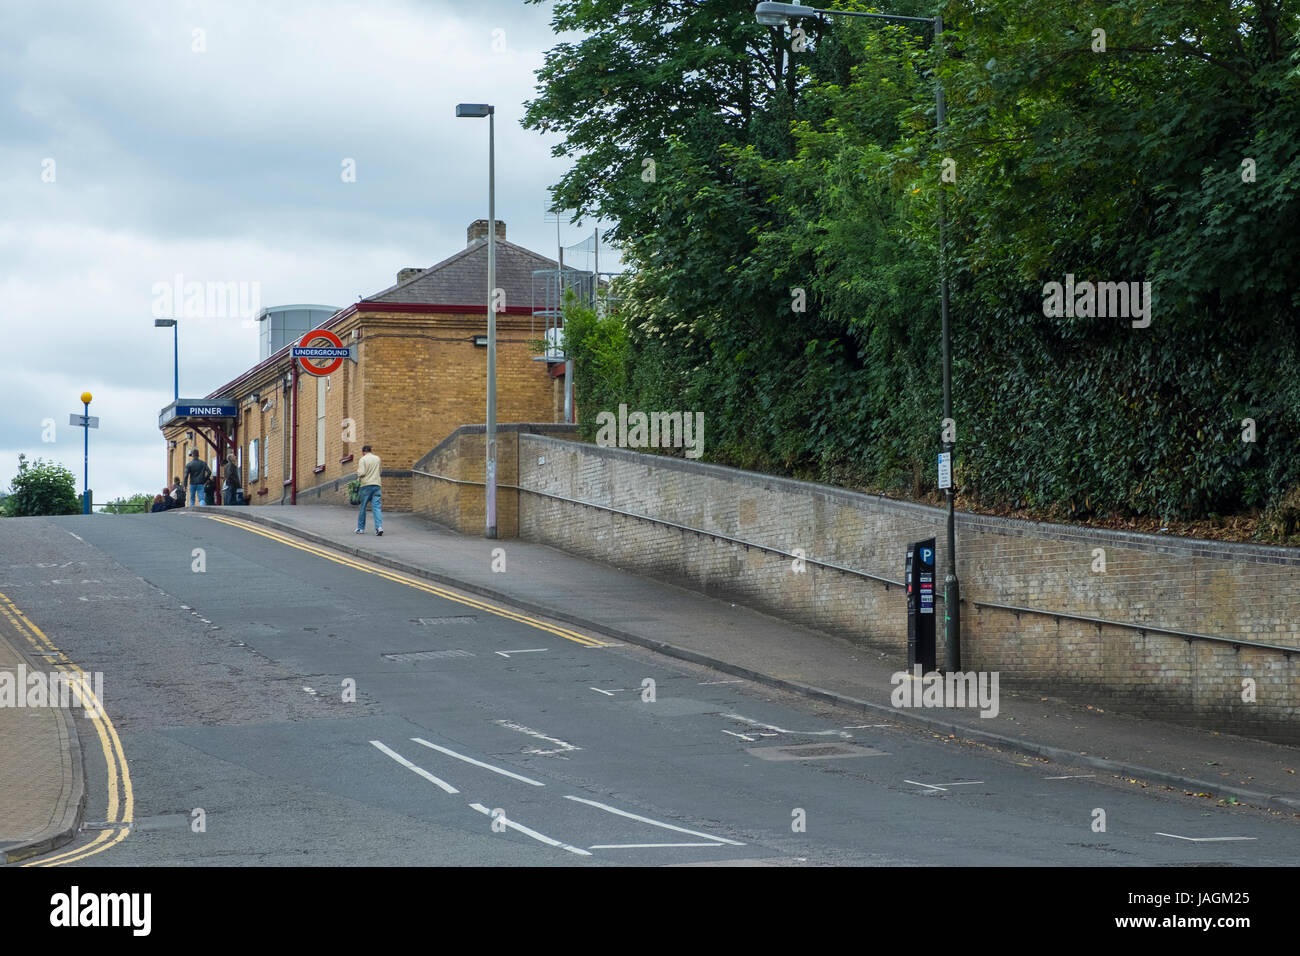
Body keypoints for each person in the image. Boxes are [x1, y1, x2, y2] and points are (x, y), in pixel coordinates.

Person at [355, 444, 382, 536]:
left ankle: (360, 528)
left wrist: (358, 472)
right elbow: (380, 471)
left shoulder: (363, 459)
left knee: (363, 507)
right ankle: (379, 527)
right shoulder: (377, 458)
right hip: (377, 484)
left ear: (363, 452)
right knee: (377, 508)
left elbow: (362, 473)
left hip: (366, 485)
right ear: (370, 451)